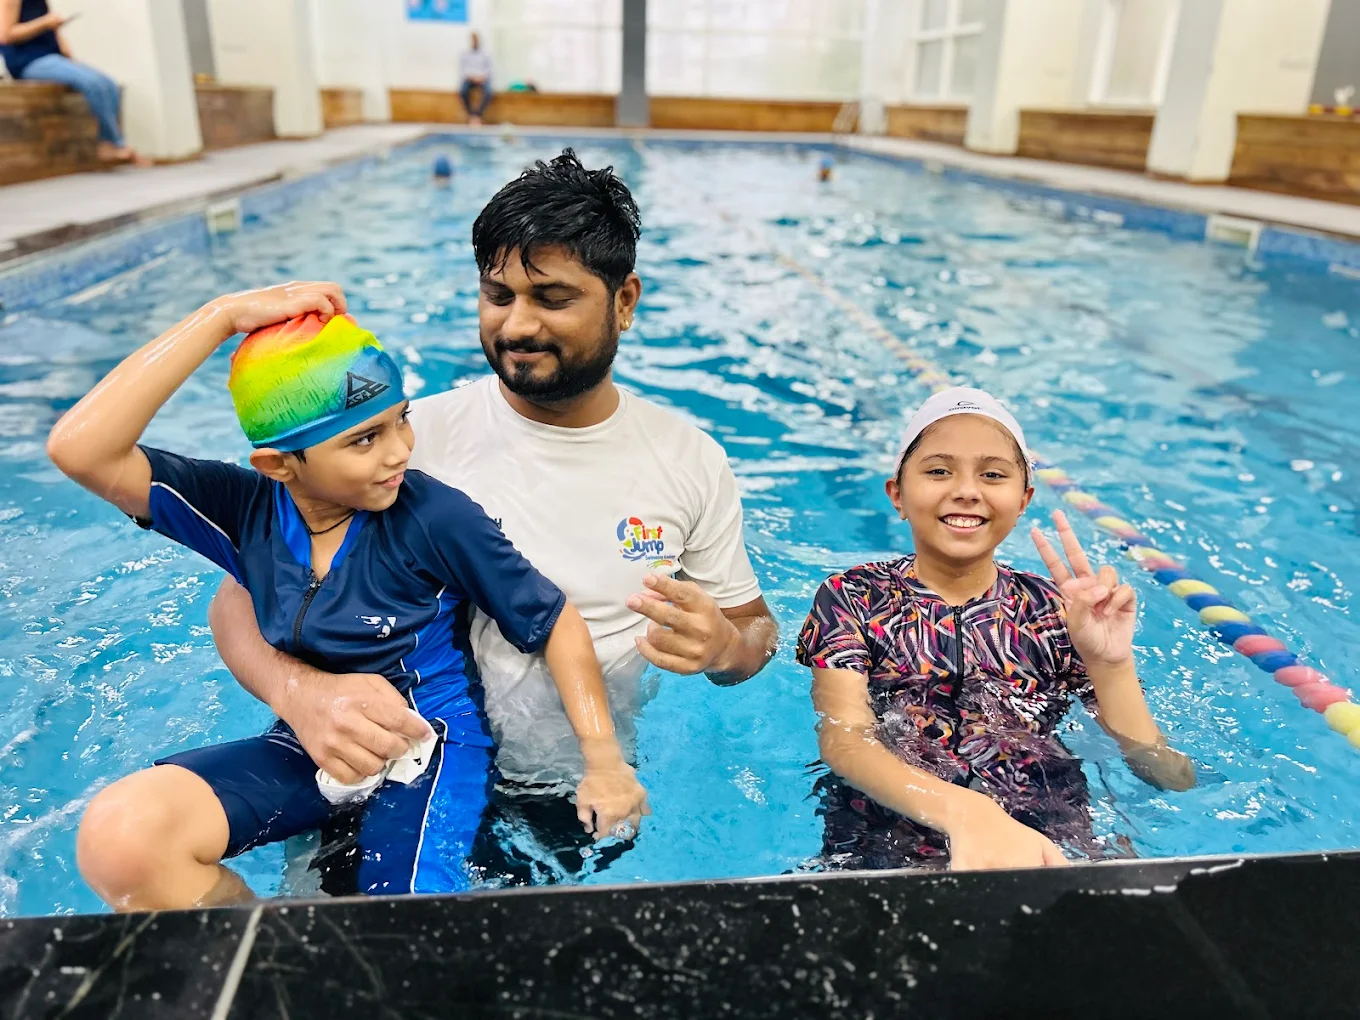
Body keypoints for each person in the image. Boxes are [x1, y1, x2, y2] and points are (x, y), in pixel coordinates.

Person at [209, 150, 779, 887]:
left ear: (625, 300)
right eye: (498, 295)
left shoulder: (688, 460)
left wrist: (724, 645)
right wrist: (300, 695)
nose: (518, 324)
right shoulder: (402, 444)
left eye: (552, 298)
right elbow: (236, 601)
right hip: (390, 765)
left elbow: (755, 634)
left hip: (572, 791)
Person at [47, 287, 647, 910]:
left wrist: (603, 760)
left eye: (401, 419)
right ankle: (258, 950)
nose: (400, 450)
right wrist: (219, 317)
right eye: (364, 439)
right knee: (125, 839)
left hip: (430, 746)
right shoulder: (244, 512)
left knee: (394, 923)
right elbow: (80, 450)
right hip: (314, 741)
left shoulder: (432, 516)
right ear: (279, 465)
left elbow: (554, 621)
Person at [799, 387, 1195, 873]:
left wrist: (1110, 664)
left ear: (1023, 500)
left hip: (1043, 839)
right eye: (938, 471)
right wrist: (967, 814)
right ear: (897, 495)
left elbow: (1169, 776)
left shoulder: (1058, 612)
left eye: (992, 474)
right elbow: (845, 740)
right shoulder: (854, 596)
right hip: (887, 836)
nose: (967, 490)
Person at [0, 0, 145, 165]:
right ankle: (112, 145)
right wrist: (45, 23)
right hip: (27, 61)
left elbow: (49, 30)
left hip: (51, 56)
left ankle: (112, 143)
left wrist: (61, 42)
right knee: (93, 84)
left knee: (109, 85)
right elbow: (5, 35)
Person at [458, 31, 493, 126]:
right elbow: (463, 70)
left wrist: (481, 77)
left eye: (476, 40)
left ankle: (478, 115)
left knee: (489, 92)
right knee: (463, 91)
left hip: (482, 79)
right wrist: (472, 77)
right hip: (469, 79)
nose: (475, 42)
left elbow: (489, 70)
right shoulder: (465, 54)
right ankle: (471, 114)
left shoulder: (486, 54)